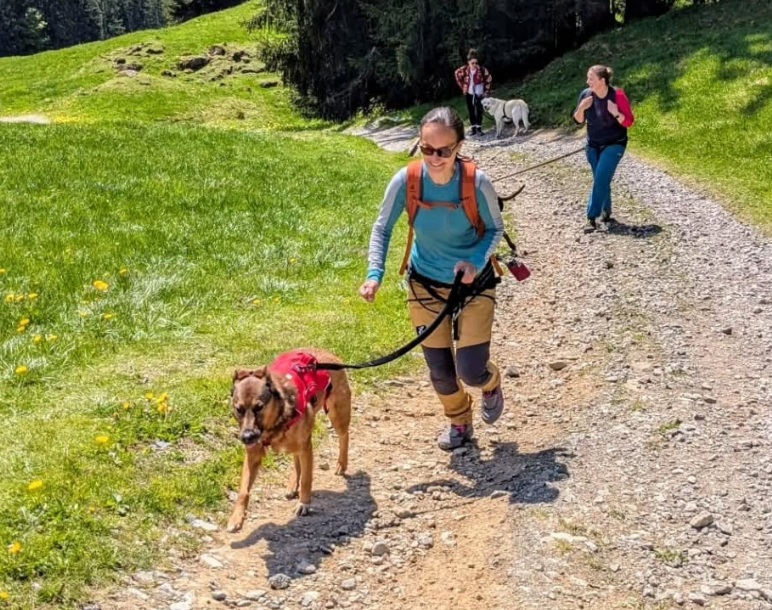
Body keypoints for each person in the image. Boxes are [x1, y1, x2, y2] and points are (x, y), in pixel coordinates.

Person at [358, 106, 505, 451]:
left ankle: (491, 382)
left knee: (470, 370)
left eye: (444, 150)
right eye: (427, 149)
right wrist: (374, 274)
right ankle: (459, 422)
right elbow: (381, 228)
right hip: (424, 283)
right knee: (440, 370)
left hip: (473, 284)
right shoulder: (406, 181)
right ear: (419, 145)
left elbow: (496, 229)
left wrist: (473, 262)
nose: (435, 157)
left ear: (459, 146)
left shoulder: (477, 183)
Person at [573, 64, 635, 233]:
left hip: (615, 144)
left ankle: (592, 218)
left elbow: (629, 122)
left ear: (602, 80)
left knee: (600, 179)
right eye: (587, 78)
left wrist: (615, 112)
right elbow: (578, 120)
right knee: (601, 179)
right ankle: (606, 211)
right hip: (593, 145)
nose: (587, 82)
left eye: (591, 79)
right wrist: (582, 108)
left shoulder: (617, 95)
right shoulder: (586, 95)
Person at [454, 49, 492, 136]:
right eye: (472, 63)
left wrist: (486, 91)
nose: (474, 65)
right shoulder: (464, 70)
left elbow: (489, 79)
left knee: (479, 110)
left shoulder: (482, 70)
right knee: (471, 111)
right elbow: (456, 74)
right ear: (468, 62)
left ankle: (479, 128)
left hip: (479, 93)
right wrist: (463, 86)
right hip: (469, 93)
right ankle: (473, 128)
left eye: (476, 63)